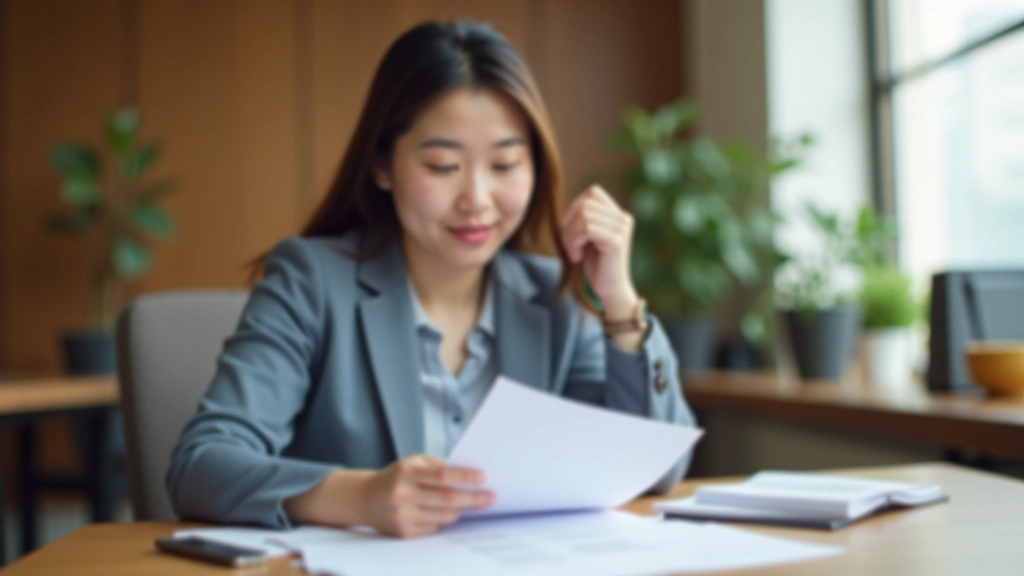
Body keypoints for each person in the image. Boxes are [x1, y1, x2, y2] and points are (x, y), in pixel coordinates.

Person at [167, 19, 696, 538]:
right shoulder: (312, 281)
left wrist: (620, 304)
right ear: (382, 167)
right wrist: (362, 496)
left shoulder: (553, 294)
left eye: (506, 164)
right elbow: (202, 465)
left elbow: (653, 470)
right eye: (443, 166)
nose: (477, 200)